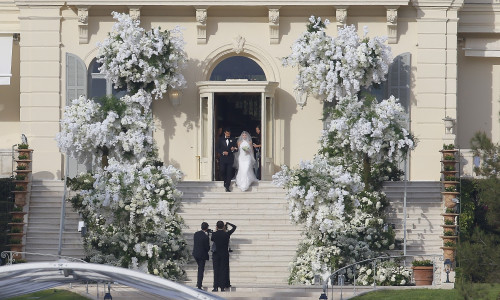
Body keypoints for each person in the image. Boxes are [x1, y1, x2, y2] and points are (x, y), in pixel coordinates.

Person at [211, 221, 236, 292]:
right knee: (223, 270)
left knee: (216, 271)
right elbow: (234, 227)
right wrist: (228, 223)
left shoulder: (214, 234)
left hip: (216, 254)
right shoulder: (226, 234)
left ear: (216, 226)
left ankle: (215, 287)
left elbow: (212, 239)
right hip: (224, 254)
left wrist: (216, 230)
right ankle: (222, 287)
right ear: (223, 226)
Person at [217, 128, 238, 192]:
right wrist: (223, 152)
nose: (228, 134)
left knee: (229, 172)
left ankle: (227, 186)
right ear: (225, 133)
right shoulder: (221, 139)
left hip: (230, 158)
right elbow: (217, 148)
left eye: (229, 133)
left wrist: (234, 149)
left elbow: (237, 149)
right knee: (222, 170)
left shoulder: (233, 139)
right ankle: (225, 180)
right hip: (223, 158)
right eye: (227, 133)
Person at [192, 222, 210, 290]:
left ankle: (198, 283)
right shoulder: (205, 236)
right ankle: (199, 284)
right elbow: (207, 247)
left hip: (196, 253)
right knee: (201, 269)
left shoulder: (196, 234)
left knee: (200, 268)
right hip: (202, 255)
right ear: (207, 228)